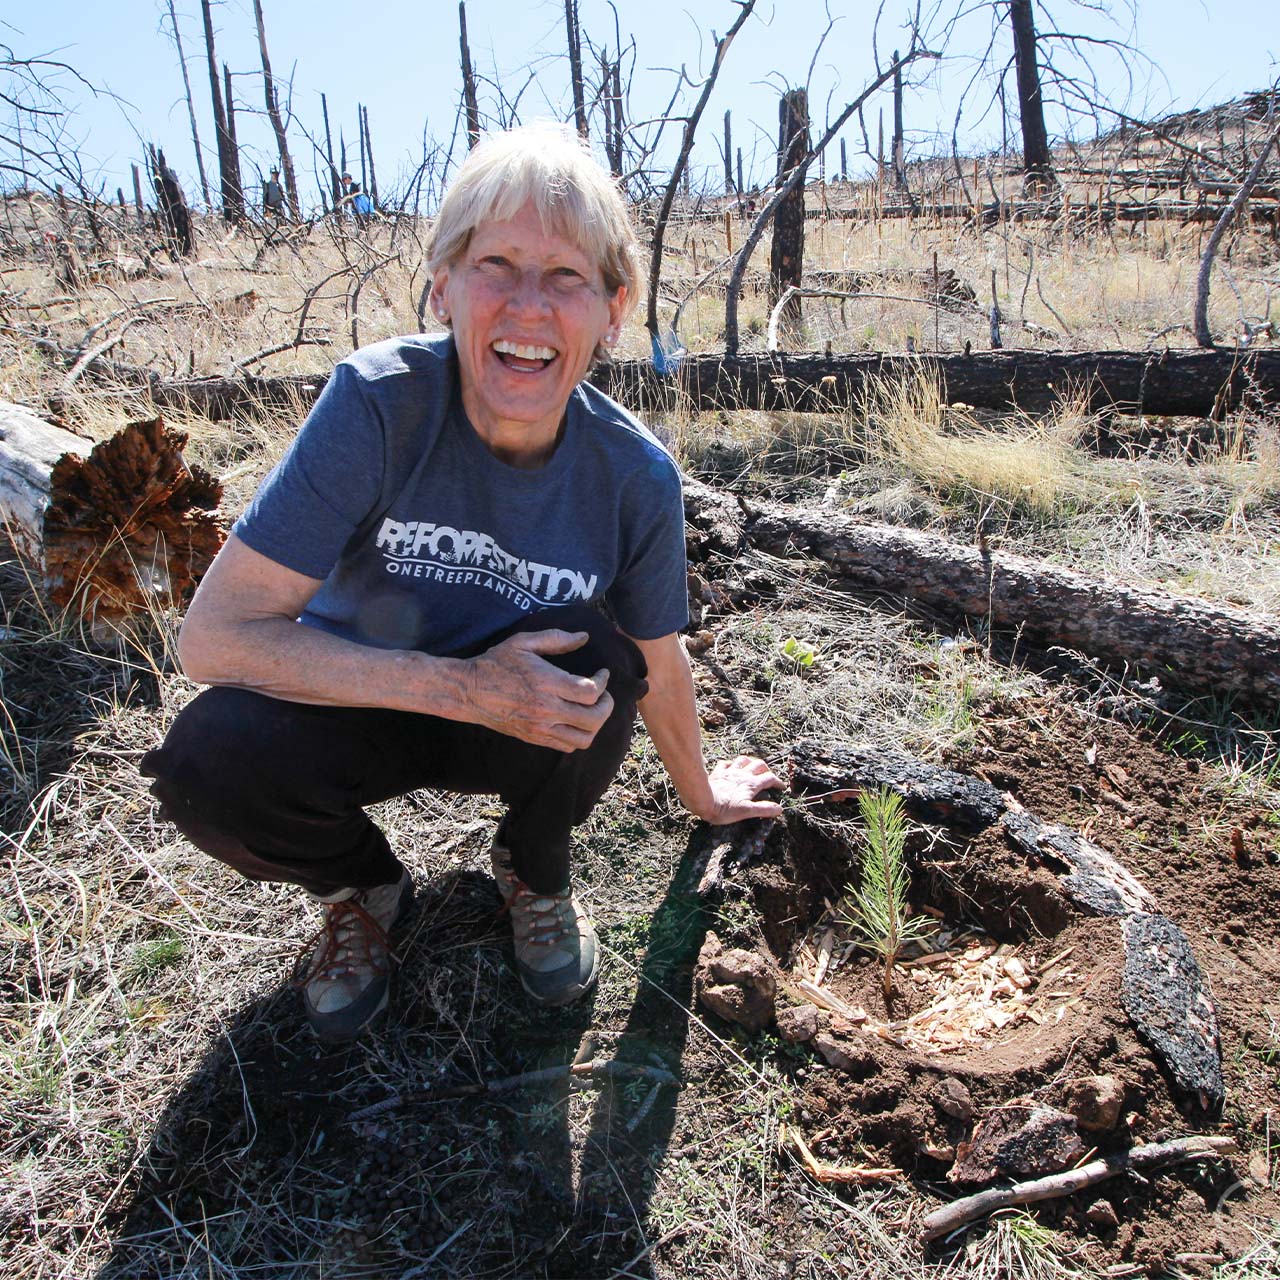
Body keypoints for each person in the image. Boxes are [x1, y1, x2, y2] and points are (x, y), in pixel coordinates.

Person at [141, 123, 783, 1044]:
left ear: (613, 308)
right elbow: (215, 639)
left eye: (567, 276)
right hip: (357, 698)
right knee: (207, 760)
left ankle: (532, 870)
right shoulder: (376, 405)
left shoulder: (633, 474)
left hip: (520, 727)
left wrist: (702, 796)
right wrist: (460, 687)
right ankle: (360, 888)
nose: (528, 307)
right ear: (443, 286)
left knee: (599, 657)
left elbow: (658, 662)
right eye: (497, 266)